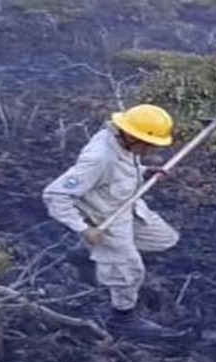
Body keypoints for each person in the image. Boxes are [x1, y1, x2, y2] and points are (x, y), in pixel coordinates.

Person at [44, 104, 182, 338]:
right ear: (129, 135)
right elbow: (54, 195)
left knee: (164, 239)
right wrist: (85, 229)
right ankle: (122, 318)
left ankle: (90, 256)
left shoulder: (124, 143)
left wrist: (146, 172)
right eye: (148, 144)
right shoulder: (99, 159)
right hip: (104, 218)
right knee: (129, 268)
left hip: (127, 205)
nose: (150, 150)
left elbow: (124, 169)